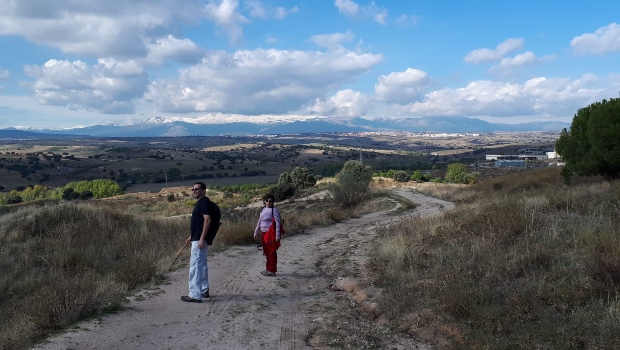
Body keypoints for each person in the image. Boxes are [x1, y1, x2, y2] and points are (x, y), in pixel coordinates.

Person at [181, 181, 214, 303]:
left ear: (204, 190)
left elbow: (207, 220)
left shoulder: (204, 203)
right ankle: (204, 290)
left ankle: (195, 294)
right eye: (193, 189)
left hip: (200, 240)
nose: (194, 191)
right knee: (202, 265)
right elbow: (200, 223)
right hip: (198, 238)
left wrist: (200, 239)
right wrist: (193, 235)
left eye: (196, 189)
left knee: (195, 267)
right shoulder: (202, 203)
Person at [254, 193, 282, 277]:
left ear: (273, 202)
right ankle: (268, 269)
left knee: (271, 252)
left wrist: (277, 236)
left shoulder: (274, 210)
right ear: (264, 201)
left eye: (270, 201)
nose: (268, 202)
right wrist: (255, 232)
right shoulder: (263, 209)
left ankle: (272, 270)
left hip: (271, 233)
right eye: (267, 200)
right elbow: (260, 221)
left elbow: (277, 223)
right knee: (266, 251)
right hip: (264, 233)